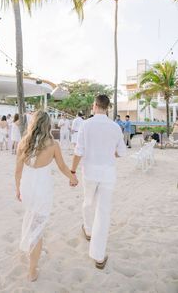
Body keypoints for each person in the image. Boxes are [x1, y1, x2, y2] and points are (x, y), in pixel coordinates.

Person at [15, 110, 78, 282]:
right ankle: (32, 270)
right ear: (47, 125)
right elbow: (63, 167)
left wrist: (18, 189)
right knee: (38, 226)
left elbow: (18, 171)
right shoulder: (53, 145)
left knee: (31, 218)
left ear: (33, 124)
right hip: (42, 189)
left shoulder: (23, 143)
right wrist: (73, 178)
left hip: (27, 187)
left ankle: (31, 249)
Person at [71, 95, 126, 269]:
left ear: (95, 106)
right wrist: (111, 152)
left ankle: (87, 229)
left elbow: (79, 150)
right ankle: (99, 256)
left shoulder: (86, 125)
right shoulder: (115, 127)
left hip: (90, 172)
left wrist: (72, 171)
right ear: (107, 107)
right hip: (108, 174)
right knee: (103, 213)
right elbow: (121, 152)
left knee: (88, 202)